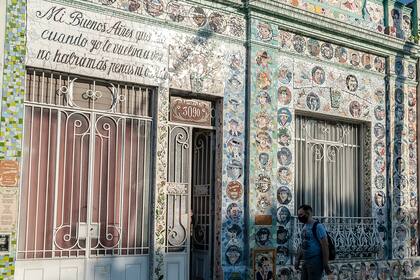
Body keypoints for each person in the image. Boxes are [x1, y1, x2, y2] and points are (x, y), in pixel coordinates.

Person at [294, 205, 333, 280]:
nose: (299, 217)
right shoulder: (304, 226)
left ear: (308, 213)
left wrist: (325, 265)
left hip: (315, 262)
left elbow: (325, 246)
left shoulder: (318, 226)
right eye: (298, 215)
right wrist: (297, 259)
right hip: (306, 261)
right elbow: (303, 244)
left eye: (301, 214)